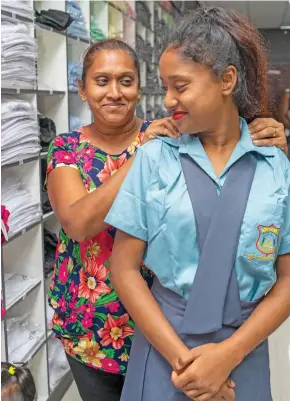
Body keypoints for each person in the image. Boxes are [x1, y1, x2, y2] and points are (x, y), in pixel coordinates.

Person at [46, 38, 287, 401]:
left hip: (160, 320)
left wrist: (266, 137)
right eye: (101, 81)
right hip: (96, 325)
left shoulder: (172, 133)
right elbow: (77, 224)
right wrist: (138, 158)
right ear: (81, 89)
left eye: (126, 81)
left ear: (139, 88)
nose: (114, 92)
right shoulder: (82, 149)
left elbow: (223, 145)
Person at [106, 8, 290, 401]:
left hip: (244, 348)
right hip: (165, 347)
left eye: (181, 86)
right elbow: (123, 268)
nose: (168, 99)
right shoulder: (155, 158)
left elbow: (288, 279)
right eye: (164, 86)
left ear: (226, 80)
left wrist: (227, 356)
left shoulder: (275, 164)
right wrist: (188, 368)